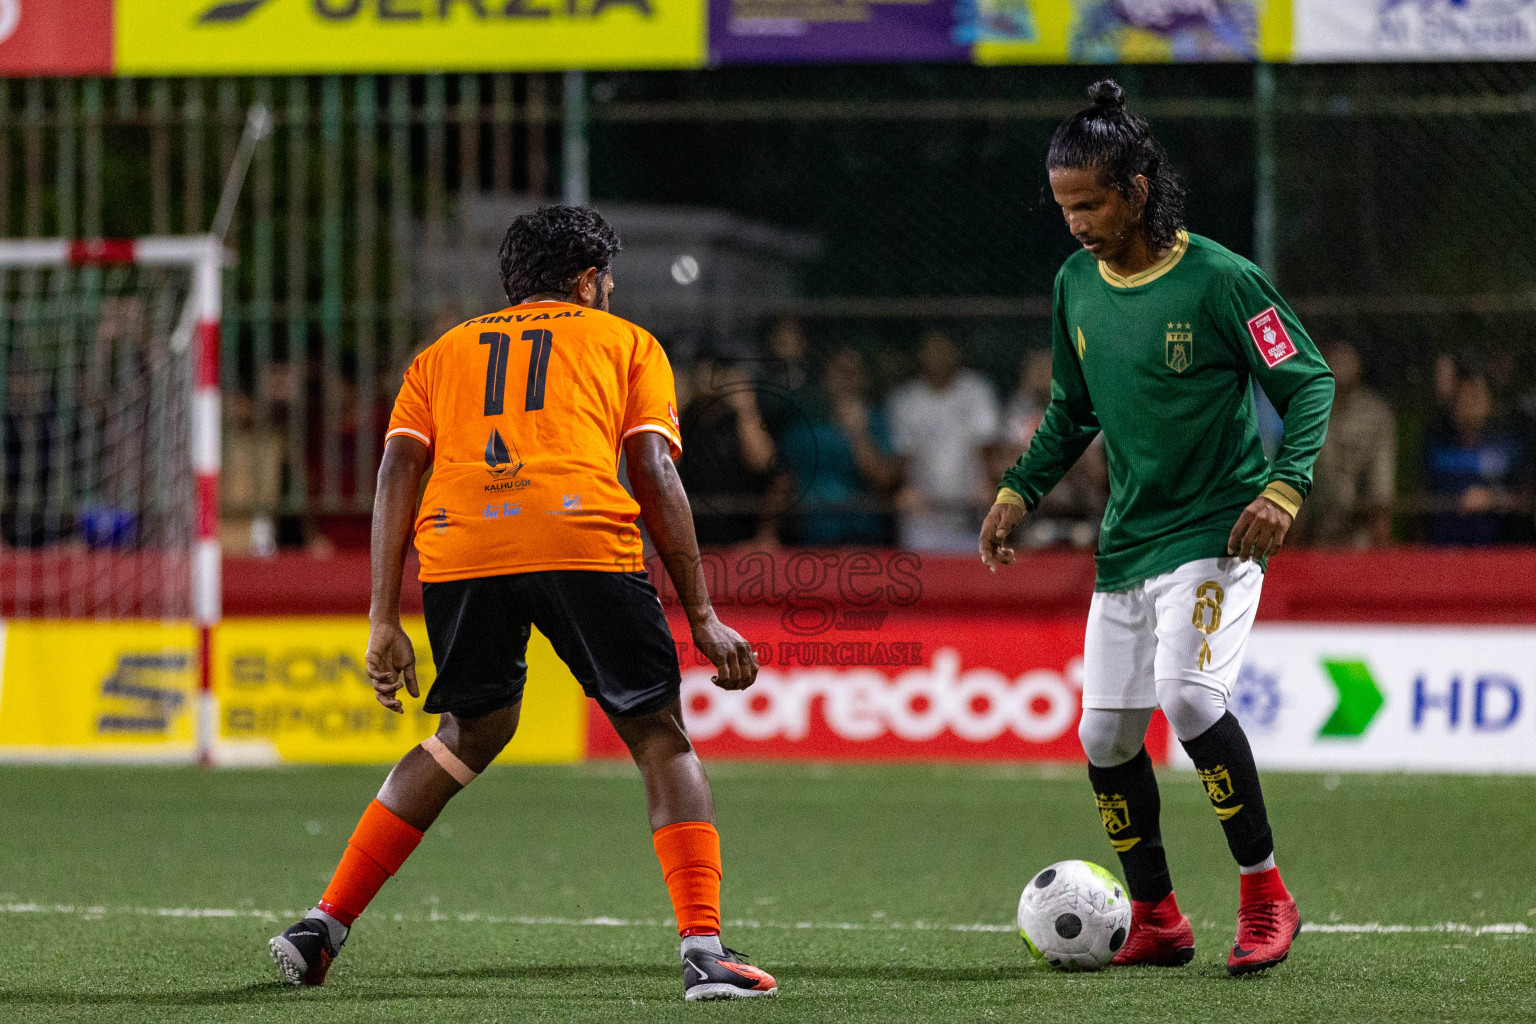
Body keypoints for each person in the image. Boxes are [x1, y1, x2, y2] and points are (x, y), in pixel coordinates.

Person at [268, 205, 778, 1002]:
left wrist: (380, 614)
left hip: (460, 547)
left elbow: (397, 472)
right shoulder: (629, 343)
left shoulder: (440, 355)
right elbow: (654, 468)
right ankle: (705, 953)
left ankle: (322, 924)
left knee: (466, 734)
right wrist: (704, 613)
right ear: (587, 281)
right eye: (604, 280)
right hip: (581, 538)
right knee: (658, 737)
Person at [979, 81, 1333, 975]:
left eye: (1089, 203)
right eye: (1064, 206)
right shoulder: (1075, 285)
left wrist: (1286, 487)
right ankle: (1159, 917)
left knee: (1190, 703)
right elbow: (1073, 409)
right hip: (1129, 544)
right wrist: (1019, 489)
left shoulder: (1222, 278)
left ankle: (1266, 897)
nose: (1075, 223)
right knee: (1103, 739)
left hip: (1219, 531)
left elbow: (1310, 382)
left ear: (1137, 189)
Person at [888, 329, 1000, 552]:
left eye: (944, 350)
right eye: (932, 351)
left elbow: (987, 447)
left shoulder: (976, 390)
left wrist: (990, 485)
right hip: (923, 517)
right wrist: (904, 489)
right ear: (921, 355)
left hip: (971, 513)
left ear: (955, 353)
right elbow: (903, 458)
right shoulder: (905, 400)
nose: (938, 356)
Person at [779, 346, 902, 545]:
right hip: (812, 538)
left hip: (863, 538)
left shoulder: (877, 423)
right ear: (825, 377)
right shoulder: (805, 424)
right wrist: (767, 534)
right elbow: (784, 482)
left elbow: (884, 479)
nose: (844, 381)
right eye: (838, 372)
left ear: (863, 380)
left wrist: (858, 433)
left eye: (851, 374)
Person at [995, 347, 1108, 549]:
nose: (1038, 376)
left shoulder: (1084, 411)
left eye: (1045, 369)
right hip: (1033, 515)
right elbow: (1004, 467)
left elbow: (1098, 472)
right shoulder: (1018, 411)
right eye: (1034, 370)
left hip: (1080, 511)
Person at [1290, 340, 1395, 548]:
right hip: (1312, 535)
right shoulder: (1306, 412)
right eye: (1336, 355)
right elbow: (1294, 477)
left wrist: (1380, 548)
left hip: (1359, 535)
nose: (1342, 363)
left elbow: (1382, 489)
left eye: (1347, 356)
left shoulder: (1376, 416)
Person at [1421, 372, 1529, 545]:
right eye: (1463, 394)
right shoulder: (1436, 440)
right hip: (1443, 549)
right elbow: (1421, 494)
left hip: (1498, 548)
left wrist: (1492, 498)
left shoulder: (1508, 443)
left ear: (1488, 400)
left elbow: (1525, 497)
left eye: (1476, 395)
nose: (1469, 401)